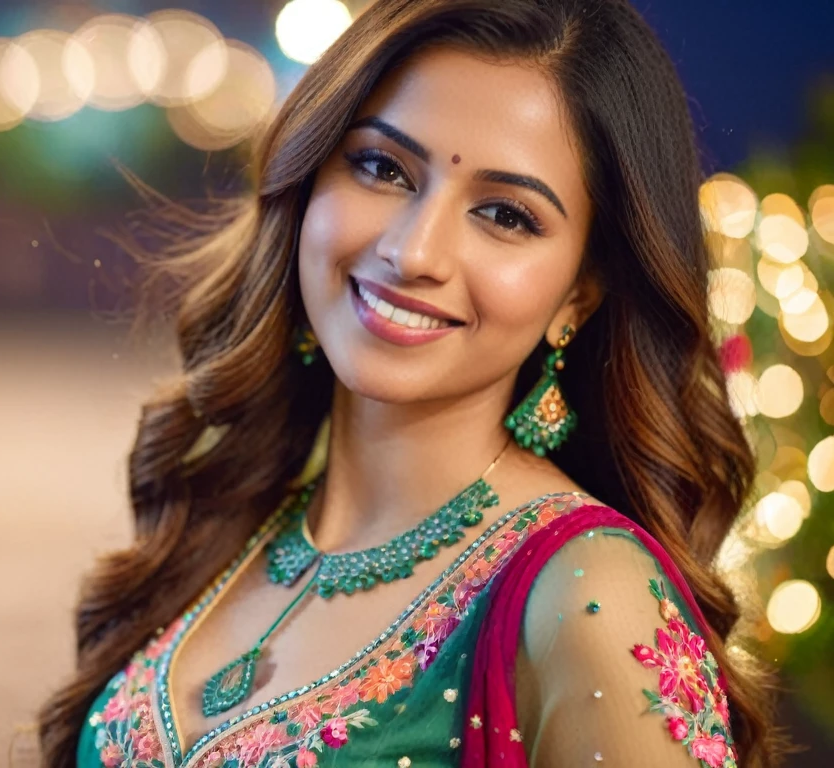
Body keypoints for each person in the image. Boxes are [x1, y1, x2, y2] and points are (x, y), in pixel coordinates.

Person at [38, 1, 778, 766]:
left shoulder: (588, 595)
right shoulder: (238, 521)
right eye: (382, 168)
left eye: (504, 215)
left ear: (579, 295)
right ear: (310, 175)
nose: (415, 251)